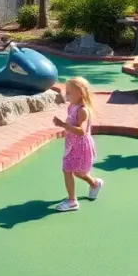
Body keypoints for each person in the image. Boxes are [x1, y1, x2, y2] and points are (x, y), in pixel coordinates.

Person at [52, 77, 103, 212]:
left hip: (81, 146)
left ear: (80, 93)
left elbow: (82, 131)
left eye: (69, 93)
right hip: (72, 145)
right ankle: (95, 183)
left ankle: (72, 201)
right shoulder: (71, 107)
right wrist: (64, 125)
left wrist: (63, 125)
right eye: (66, 92)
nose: (66, 95)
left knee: (75, 171)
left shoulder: (82, 110)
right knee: (73, 171)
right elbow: (71, 123)